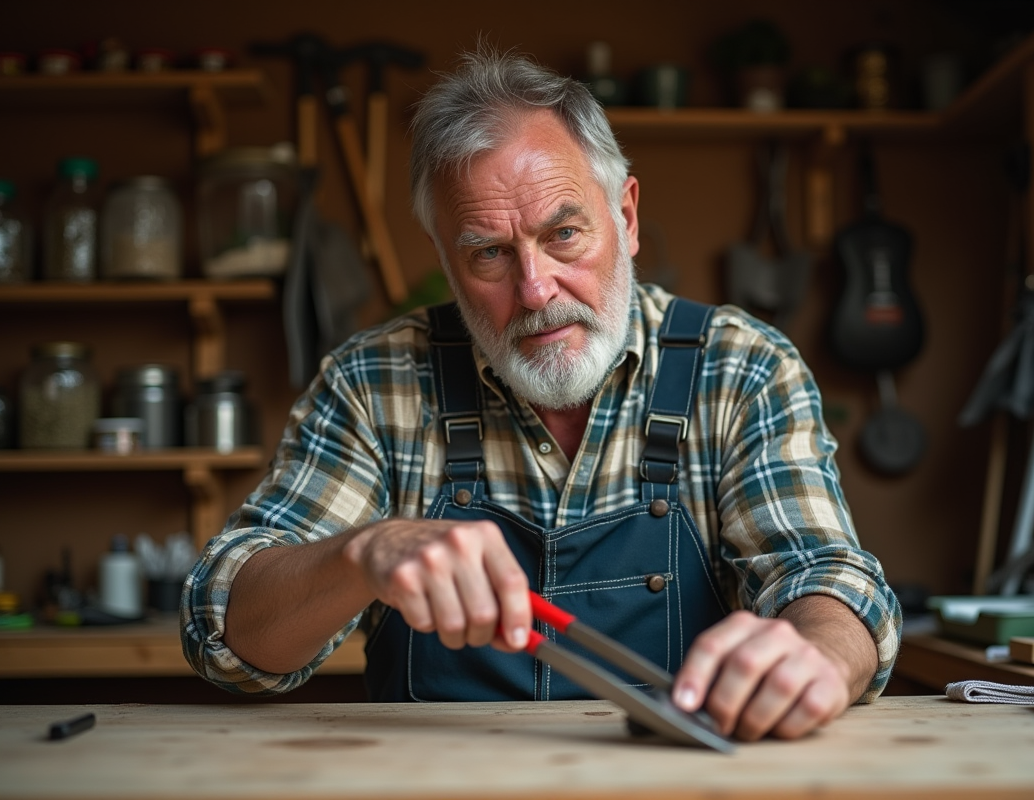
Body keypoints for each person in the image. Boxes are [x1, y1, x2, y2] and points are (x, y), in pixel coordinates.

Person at [182, 48, 901, 742]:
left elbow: (823, 574)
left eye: (564, 234)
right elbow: (230, 642)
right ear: (444, 258)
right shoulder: (374, 384)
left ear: (626, 216)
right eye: (489, 253)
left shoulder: (741, 369)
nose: (535, 290)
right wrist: (362, 554)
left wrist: (821, 654)